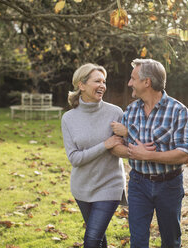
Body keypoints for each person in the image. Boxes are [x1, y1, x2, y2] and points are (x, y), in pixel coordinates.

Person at [111, 58, 188, 248]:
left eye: (133, 78)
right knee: (138, 241)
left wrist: (147, 155)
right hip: (138, 184)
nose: (129, 83)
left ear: (146, 82)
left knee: (171, 241)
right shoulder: (131, 111)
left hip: (169, 185)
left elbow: (185, 154)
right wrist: (135, 153)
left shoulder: (178, 111)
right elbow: (115, 146)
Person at [61, 63, 127, 248]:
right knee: (98, 238)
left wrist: (126, 134)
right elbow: (74, 158)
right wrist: (105, 145)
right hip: (82, 187)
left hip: (110, 184)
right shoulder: (69, 118)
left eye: (104, 81)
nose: (102, 85)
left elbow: (125, 145)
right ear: (81, 85)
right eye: (97, 81)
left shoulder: (115, 113)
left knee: (91, 240)